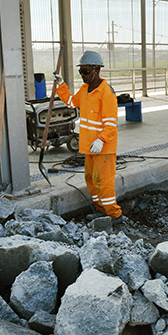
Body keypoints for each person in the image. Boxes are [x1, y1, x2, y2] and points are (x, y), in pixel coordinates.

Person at [54, 51, 127, 225]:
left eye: (86, 72)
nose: (83, 75)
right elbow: (72, 102)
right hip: (89, 146)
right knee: (91, 180)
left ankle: (115, 216)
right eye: (81, 71)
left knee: (103, 183)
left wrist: (101, 139)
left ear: (96, 70)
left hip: (103, 147)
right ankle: (100, 210)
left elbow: (111, 123)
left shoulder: (106, 93)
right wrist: (61, 85)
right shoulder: (85, 90)